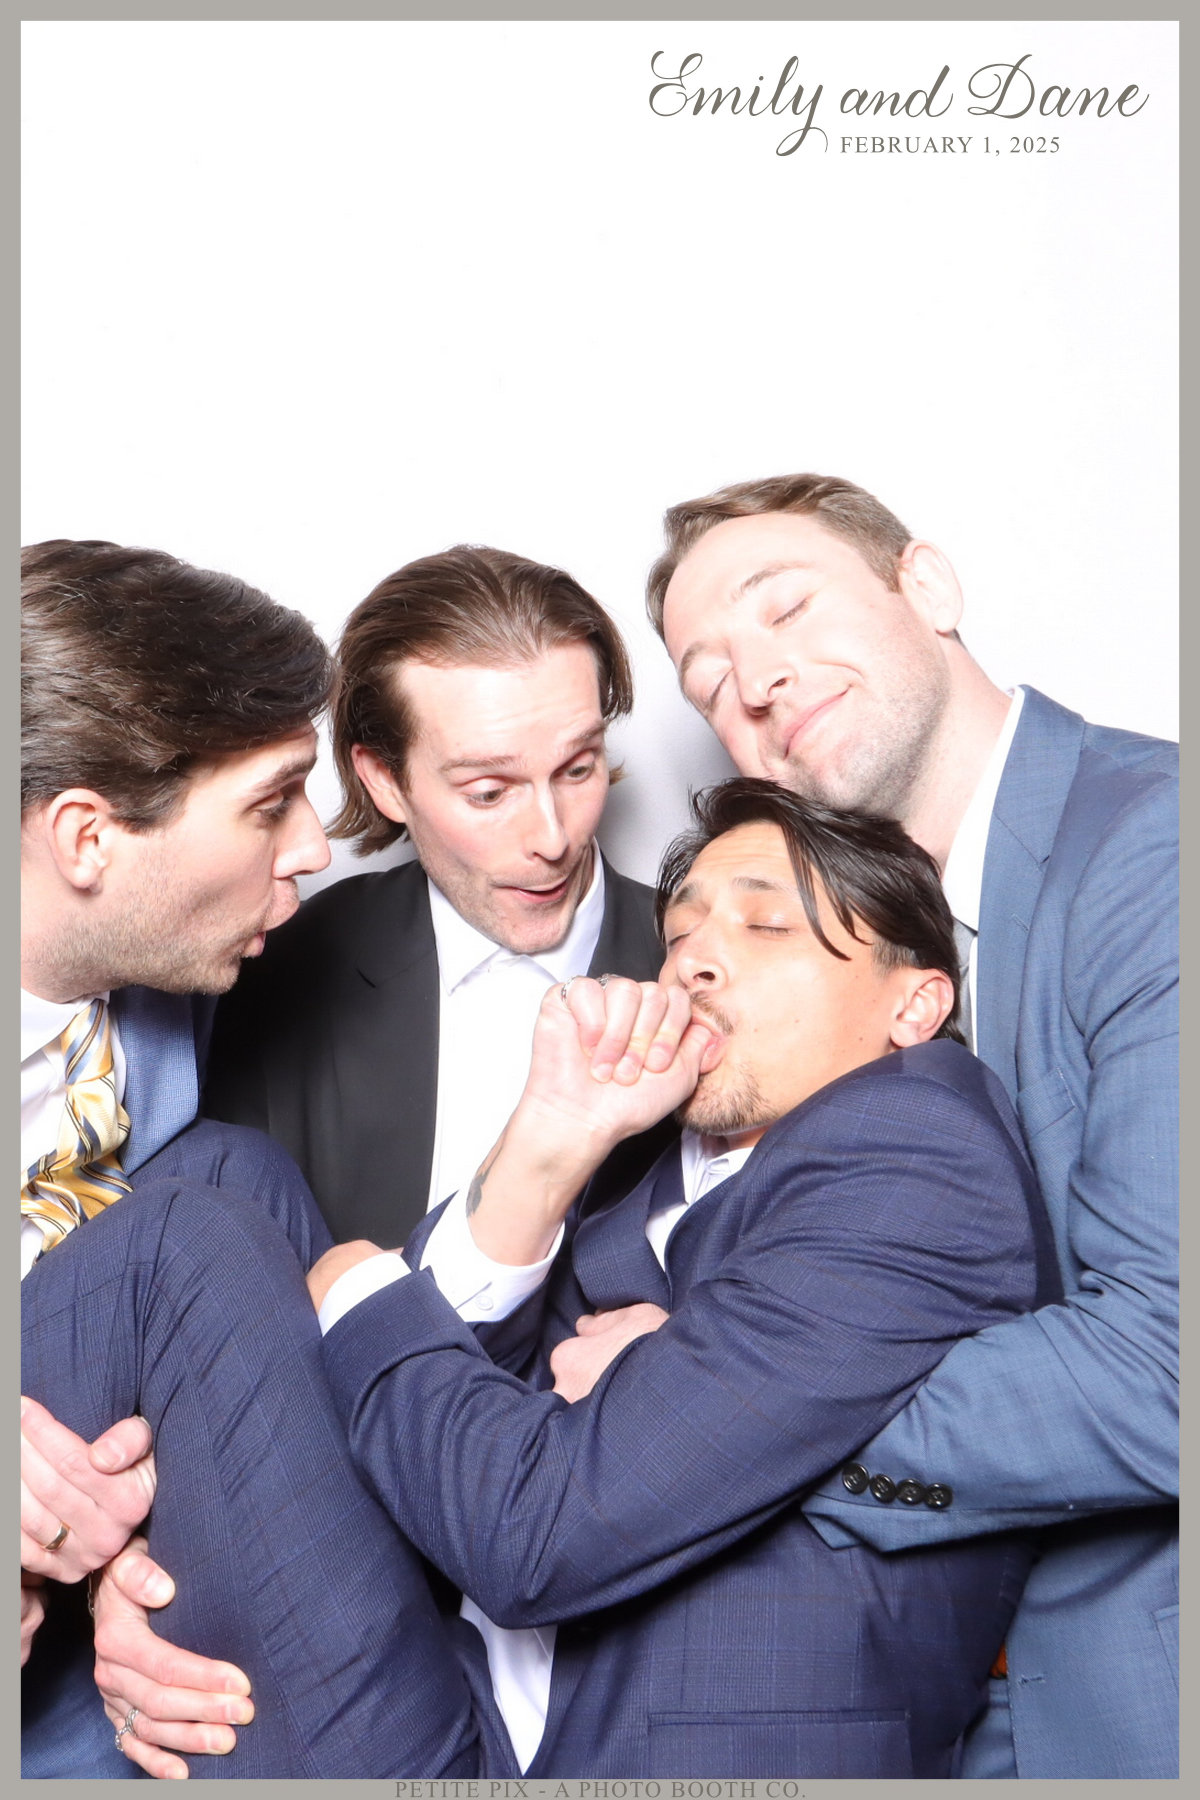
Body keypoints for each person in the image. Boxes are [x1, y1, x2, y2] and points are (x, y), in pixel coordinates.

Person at [298, 780, 1060, 1777]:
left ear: (913, 1005)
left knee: (199, 1233)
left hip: (678, 1751)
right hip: (453, 1695)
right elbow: (440, 1398)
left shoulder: (919, 1150)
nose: (692, 959)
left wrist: (358, 1285)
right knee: (227, 1186)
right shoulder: (636, 1151)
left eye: (766, 926)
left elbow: (531, 1531)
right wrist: (549, 1141)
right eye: (680, 932)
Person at [646, 473, 1178, 1779]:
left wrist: (714, 1426)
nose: (756, 679)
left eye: (785, 609)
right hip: (921, 1707)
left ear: (927, 587)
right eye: (710, 681)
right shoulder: (813, 974)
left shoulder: (1155, 848)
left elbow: (1168, 1368)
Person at [19, 539, 516, 1780]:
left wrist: (141, 1573)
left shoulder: (161, 1006)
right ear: (86, 837)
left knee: (229, 1177)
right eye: (270, 802)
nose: (313, 848)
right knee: (192, 1225)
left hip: (89, 1572)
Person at [205, 545, 661, 1247]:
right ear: (385, 782)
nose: (552, 838)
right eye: (489, 792)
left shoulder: (717, 967)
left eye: (578, 768)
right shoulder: (275, 975)